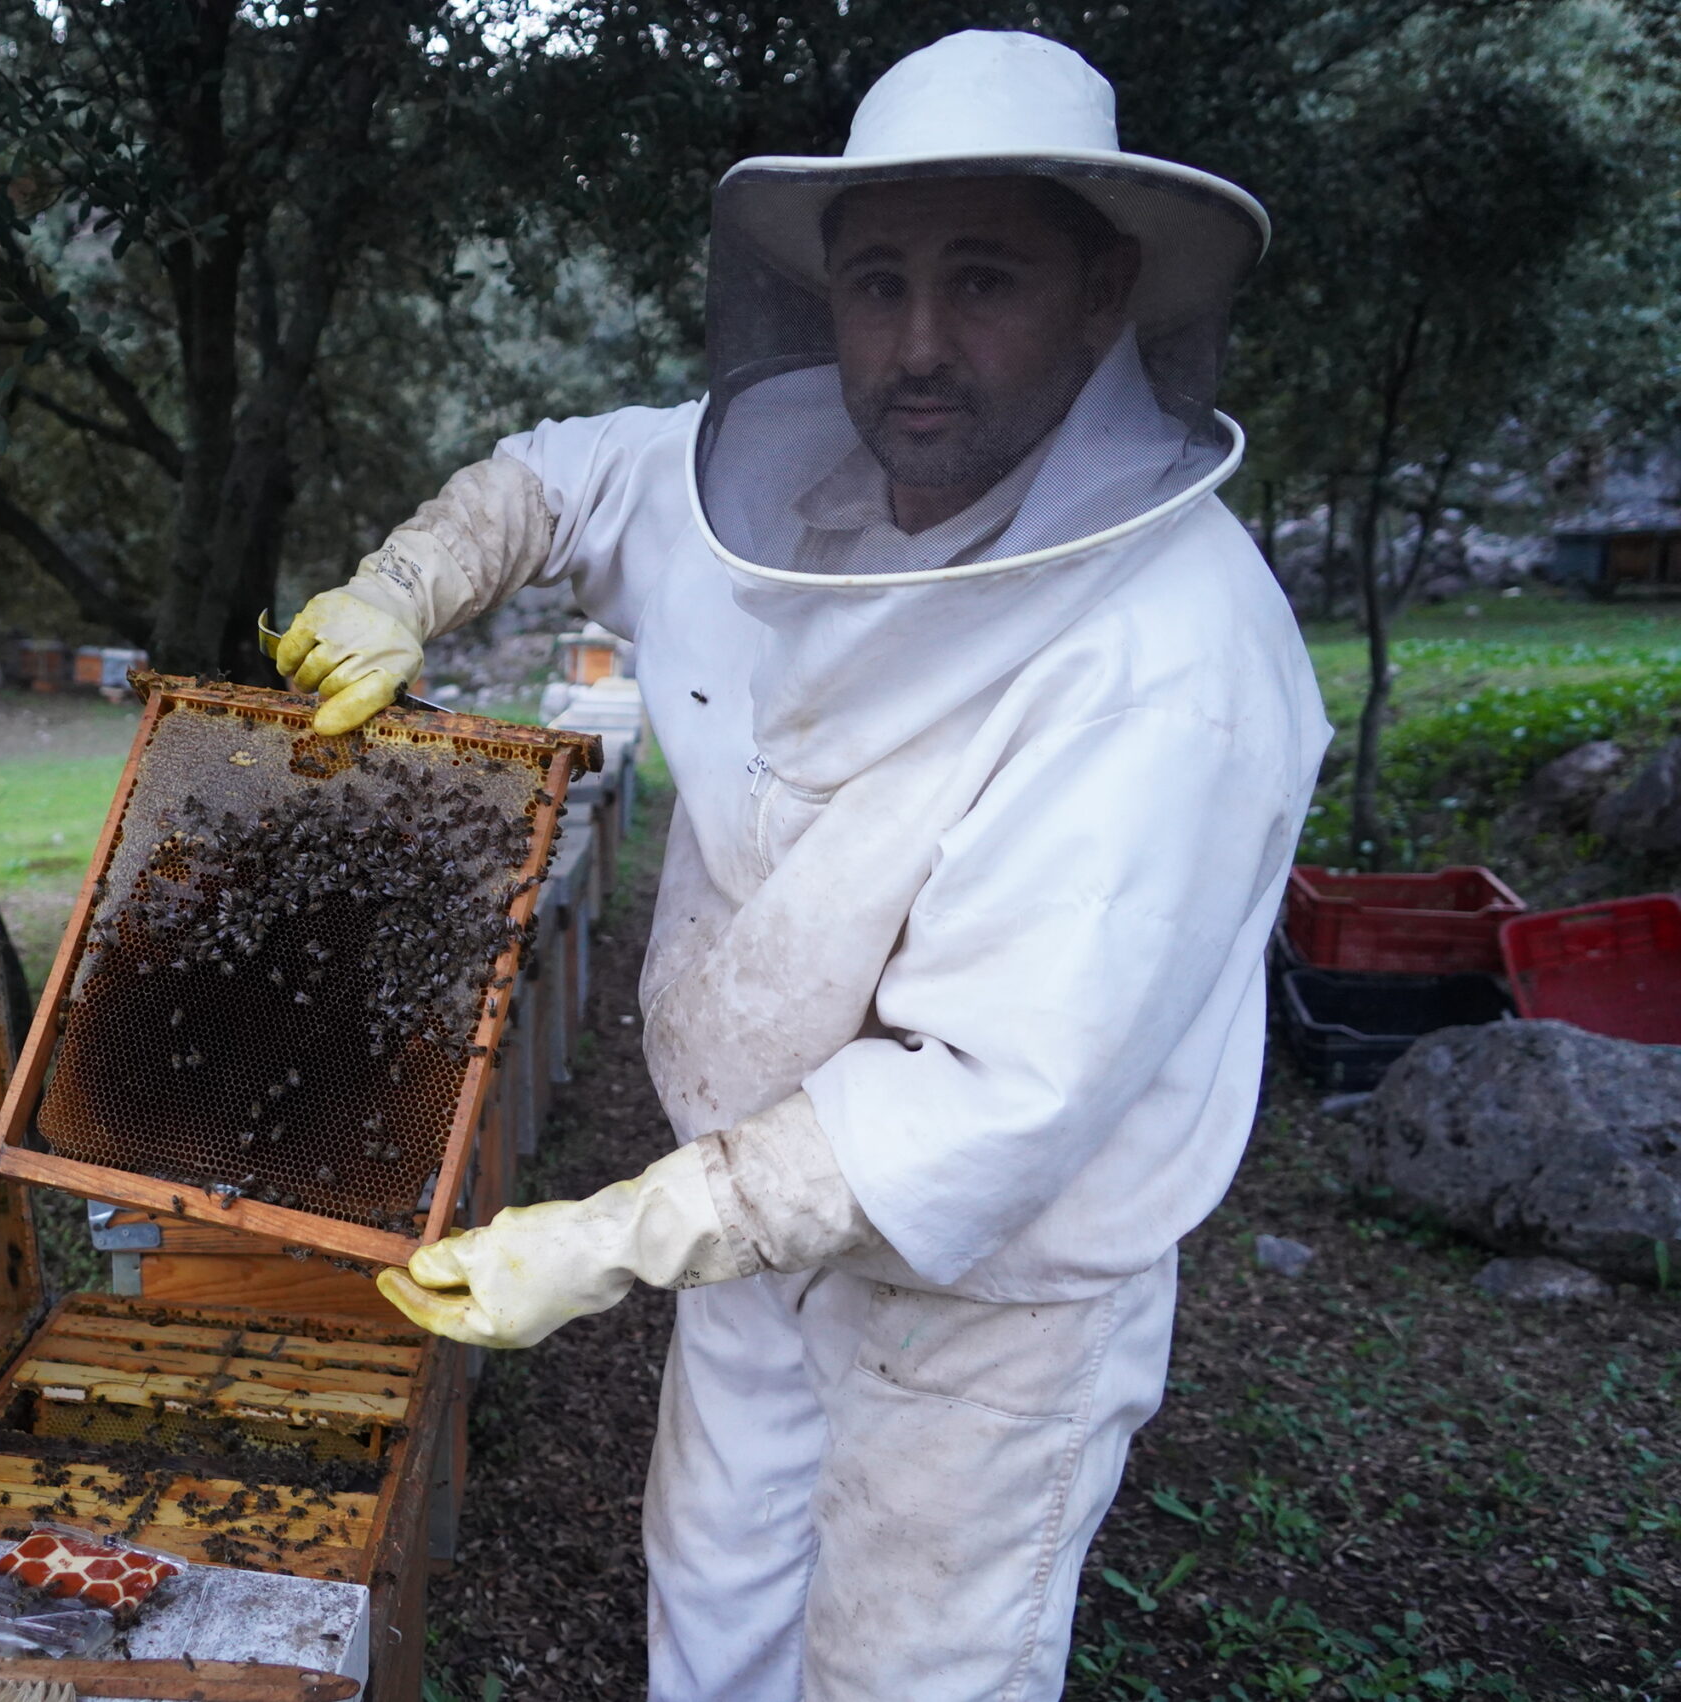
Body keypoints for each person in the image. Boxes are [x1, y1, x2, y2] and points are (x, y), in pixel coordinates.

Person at [264, 28, 1331, 1702]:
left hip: (992, 1300)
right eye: (875, 282)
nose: (915, 345)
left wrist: (607, 1236)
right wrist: (404, 585)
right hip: (752, 1237)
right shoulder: (777, 479)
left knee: (913, 1670)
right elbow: (560, 479)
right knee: (715, 1605)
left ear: (1105, 289)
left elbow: (983, 1092)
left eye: (982, 280)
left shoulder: (1169, 661)